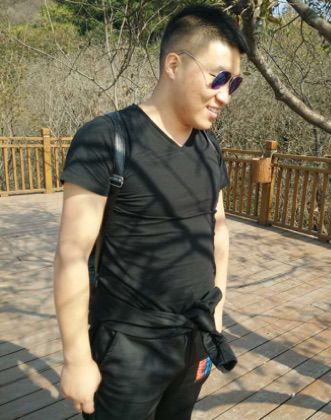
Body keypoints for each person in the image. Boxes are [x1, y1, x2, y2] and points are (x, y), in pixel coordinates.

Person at [54, 5, 247, 420]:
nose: (225, 96)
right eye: (218, 78)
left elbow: (218, 229)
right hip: (129, 347)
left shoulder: (209, 146)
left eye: (234, 83)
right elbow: (71, 253)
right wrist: (77, 359)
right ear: (173, 65)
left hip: (195, 338)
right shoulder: (107, 139)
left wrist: (216, 313)